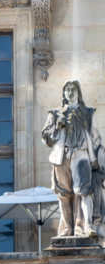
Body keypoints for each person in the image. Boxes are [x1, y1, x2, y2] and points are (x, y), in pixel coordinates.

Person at [41, 79, 103, 238]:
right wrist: (57, 127)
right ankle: (67, 229)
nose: (70, 92)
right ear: (64, 93)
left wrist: (98, 159)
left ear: (78, 92)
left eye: (73, 89)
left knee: (85, 191)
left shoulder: (88, 112)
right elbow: (45, 137)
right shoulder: (55, 113)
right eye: (67, 89)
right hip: (61, 156)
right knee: (64, 194)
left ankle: (86, 226)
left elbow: (96, 137)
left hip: (81, 154)